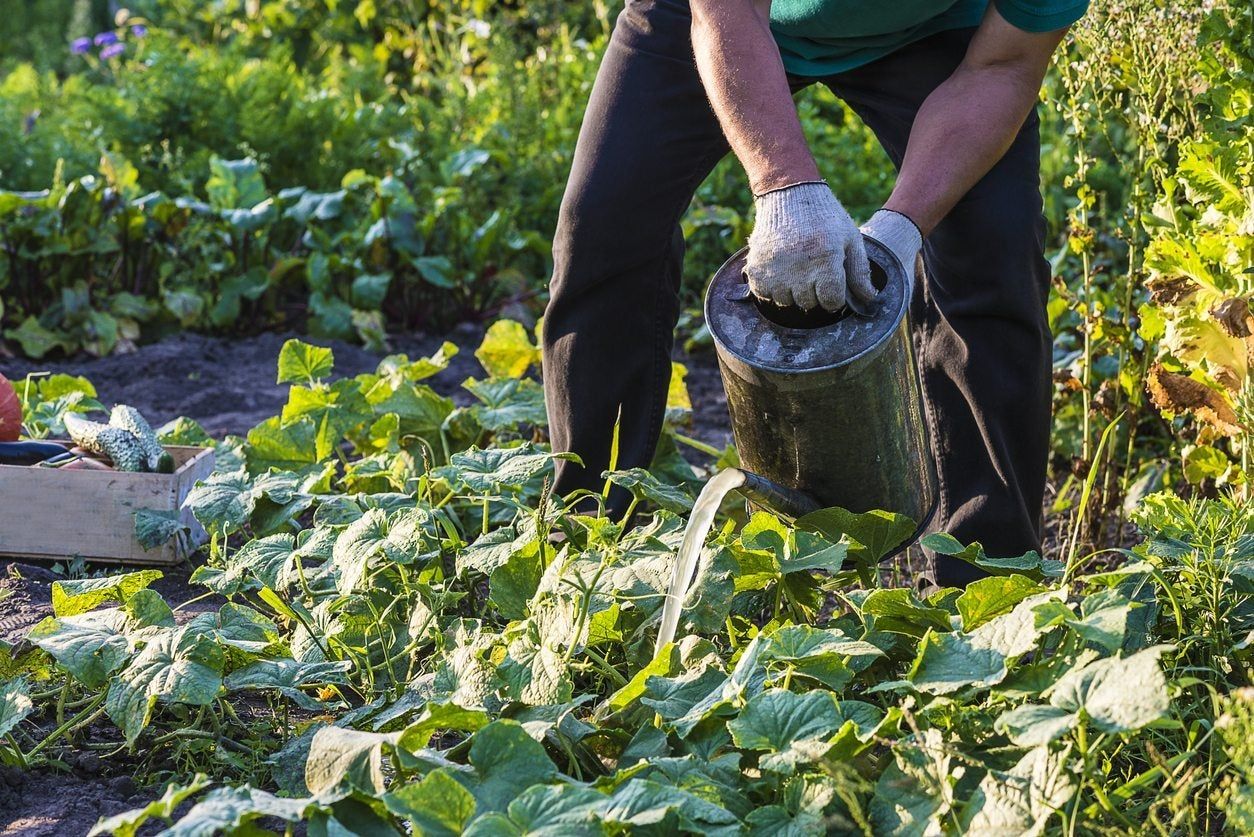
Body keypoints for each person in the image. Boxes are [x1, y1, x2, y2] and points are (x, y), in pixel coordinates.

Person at [541, 0, 1088, 589]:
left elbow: (1003, 67)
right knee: (604, 225)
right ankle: (588, 541)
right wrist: (785, 187)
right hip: (721, 13)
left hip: (936, 31)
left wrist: (903, 228)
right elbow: (726, 15)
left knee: (994, 256)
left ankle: (986, 587)